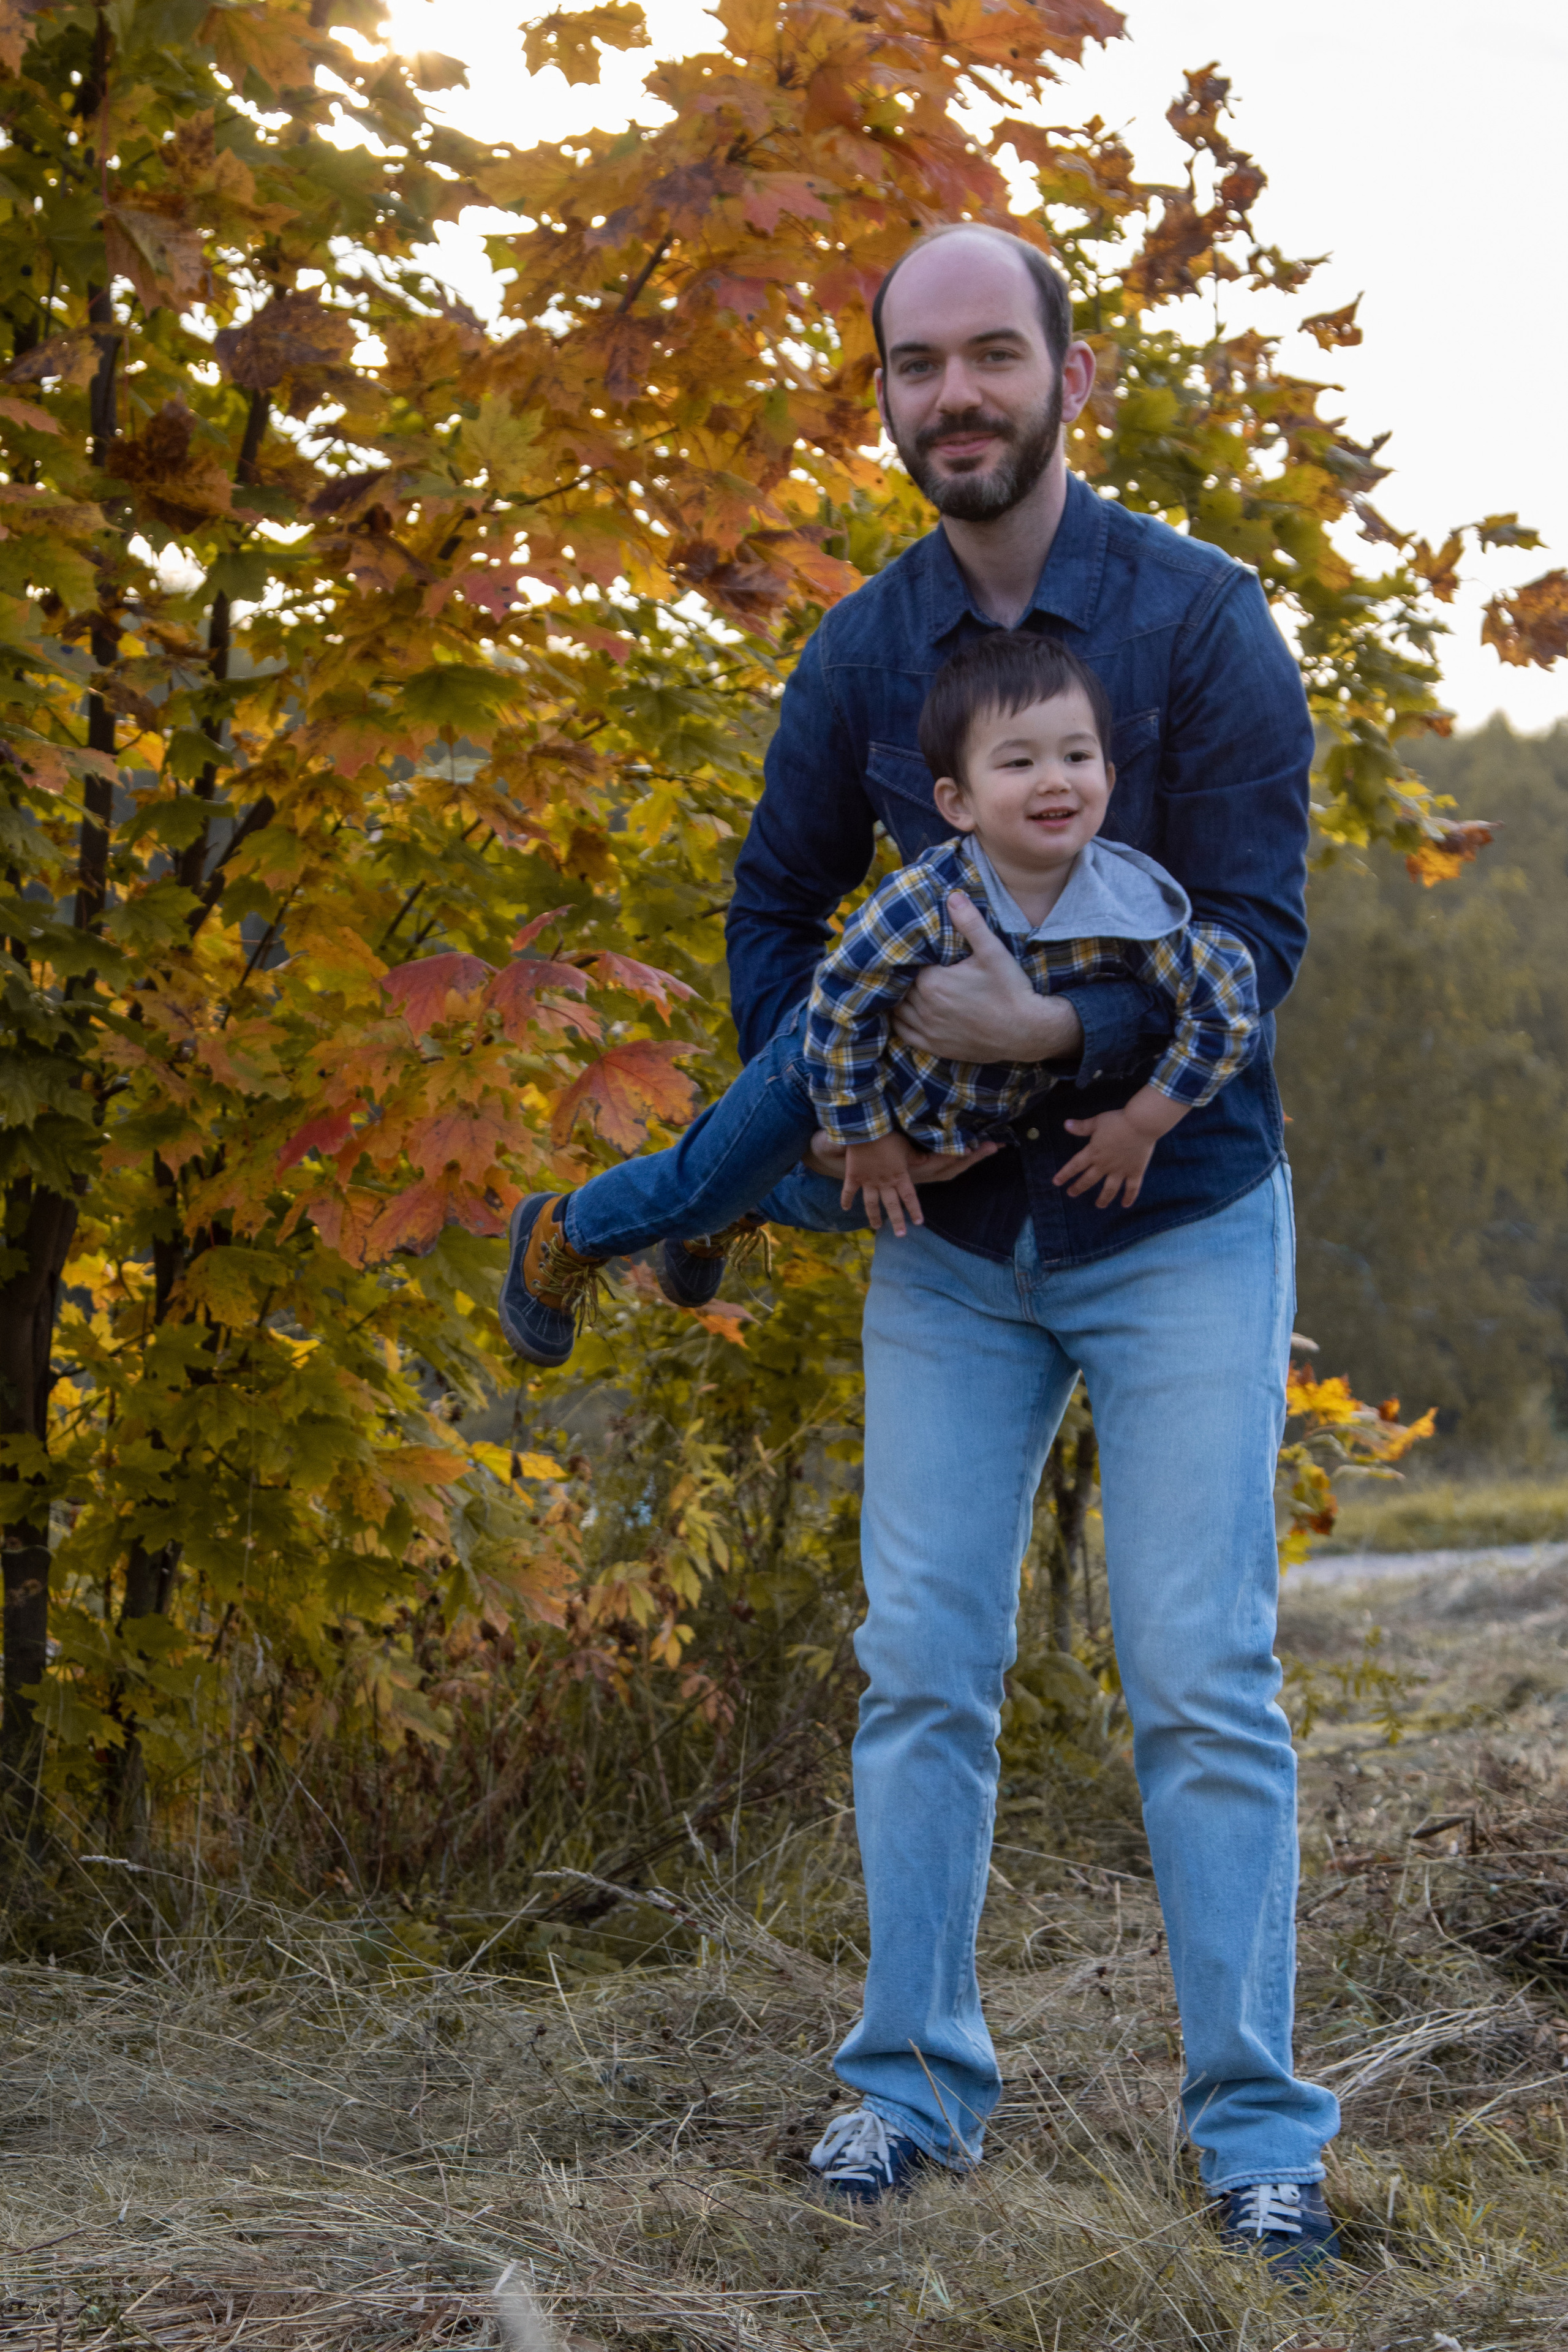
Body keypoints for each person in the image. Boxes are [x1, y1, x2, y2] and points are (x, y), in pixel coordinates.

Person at [723, 222, 1340, 2280]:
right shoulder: (861, 655)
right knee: (921, 1669)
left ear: (1069, 376)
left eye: (994, 356)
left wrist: (1065, 1033)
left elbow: (1261, 934)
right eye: (918, 367)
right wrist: (838, 1123)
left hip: (1180, 1221)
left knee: (1199, 1672)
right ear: (887, 398)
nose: (956, 397)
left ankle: (1259, 2138)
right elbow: (769, 905)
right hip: (950, 1255)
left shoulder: (1204, 623)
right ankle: (908, 2092)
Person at [498, 633, 1257, 1364]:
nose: (1055, 780)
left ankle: (739, 1207)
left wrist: (1142, 1122)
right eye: (1018, 762)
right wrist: (863, 1133)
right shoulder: (925, 902)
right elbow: (836, 1010)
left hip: (938, 1114)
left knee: (840, 1210)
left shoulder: (1130, 908)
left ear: (1109, 778)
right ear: (957, 802)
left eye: (1077, 756)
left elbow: (1226, 1006)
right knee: (698, 1189)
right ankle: (566, 1231)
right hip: (821, 1071)